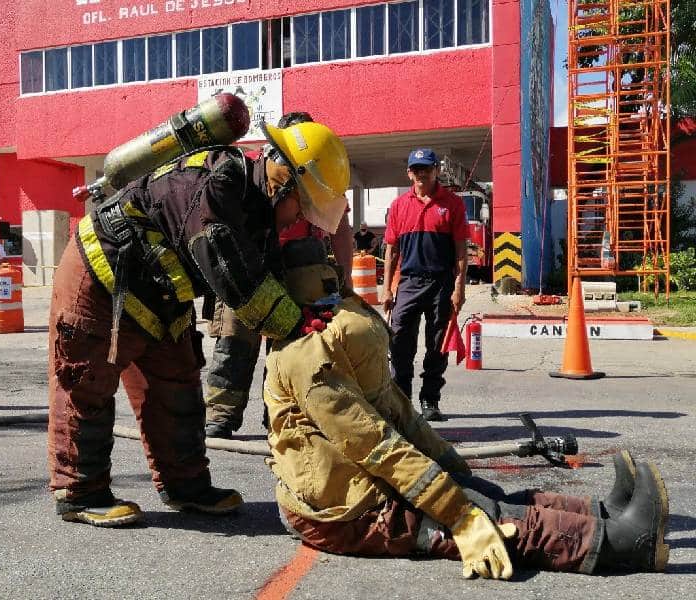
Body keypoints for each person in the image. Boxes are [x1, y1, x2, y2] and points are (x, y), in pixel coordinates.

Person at [263, 256, 669, 579]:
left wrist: (452, 467)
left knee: (484, 493)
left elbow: (397, 412)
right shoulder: (306, 362)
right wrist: (457, 514)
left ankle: (600, 513)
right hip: (343, 514)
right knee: (490, 518)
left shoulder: (331, 344)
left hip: (360, 487)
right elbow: (375, 445)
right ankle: (625, 542)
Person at [48, 119, 351, 527]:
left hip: (161, 288)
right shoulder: (219, 186)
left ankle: (185, 485)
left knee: (178, 383)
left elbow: (269, 274)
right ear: (282, 179)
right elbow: (235, 277)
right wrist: (295, 328)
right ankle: (80, 491)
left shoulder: (258, 206)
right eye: (303, 204)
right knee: (86, 381)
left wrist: (312, 314)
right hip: (103, 276)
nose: (302, 217)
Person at [203, 111, 354, 440]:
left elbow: (341, 229)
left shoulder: (319, 174)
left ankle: (280, 414)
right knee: (234, 340)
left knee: (291, 345)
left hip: (299, 267)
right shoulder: (254, 174)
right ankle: (221, 414)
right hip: (251, 262)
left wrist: (346, 279)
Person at [381, 148, 468, 422]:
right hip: (408, 282)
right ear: (409, 172)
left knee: (437, 344)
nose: (422, 173)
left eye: (427, 169)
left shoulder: (452, 204)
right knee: (399, 342)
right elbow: (391, 251)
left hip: (441, 283)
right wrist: (386, 289)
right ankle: (402, 401)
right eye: (416, 169)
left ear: (436, 171)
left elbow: (461, 251)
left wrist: (459, 288)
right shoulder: (398, 205)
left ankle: (430, 399)